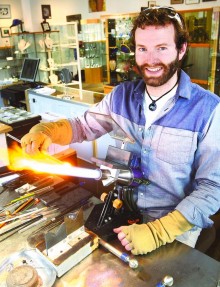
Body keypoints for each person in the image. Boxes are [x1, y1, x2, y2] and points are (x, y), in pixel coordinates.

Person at [21, 6, 220, 255]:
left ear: (181, 49)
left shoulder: (208, 110)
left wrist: (159, 231)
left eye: (162, 48)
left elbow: (213, 187)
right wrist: (47, 131)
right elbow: (82, 127)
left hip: (176, 231)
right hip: (121, 214)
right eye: (142, 49)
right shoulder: (120, 97)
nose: (151, 60)